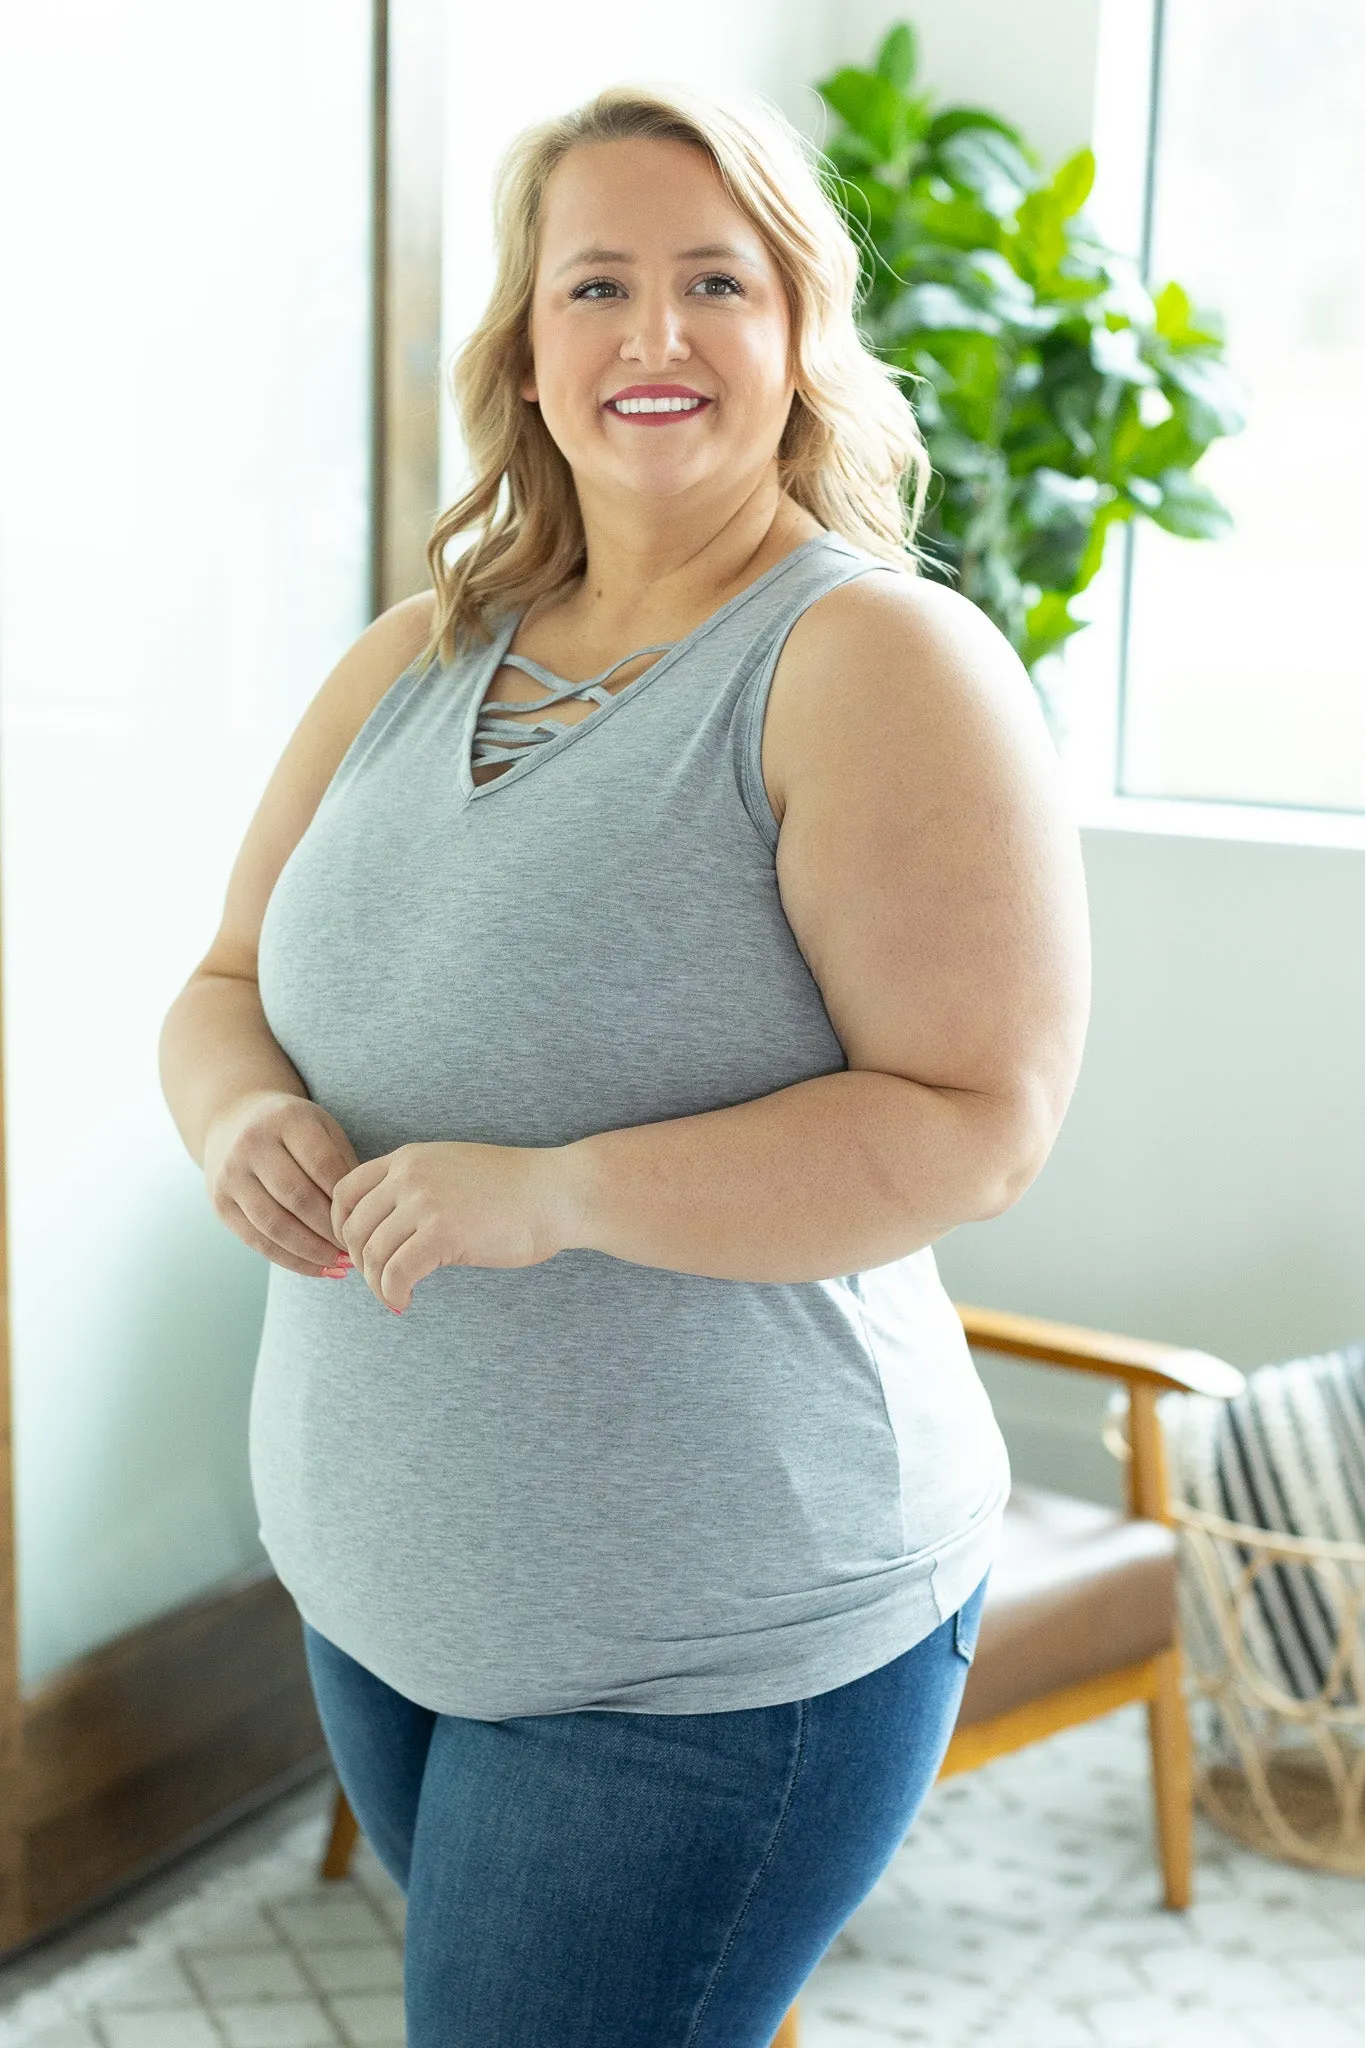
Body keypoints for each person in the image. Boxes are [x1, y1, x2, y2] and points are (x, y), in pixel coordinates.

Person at [159, 79, 1091, 2048]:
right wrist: (236, 1109)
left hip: (711, 1655)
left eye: (712, 283)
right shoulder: (414, 656)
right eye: (595, 284)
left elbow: (976, 1122)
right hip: (385, 1601)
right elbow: (226, 977)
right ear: (524, 345)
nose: (651, 338)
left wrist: (553, 1189)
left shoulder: (871, 665)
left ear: (798, 334)